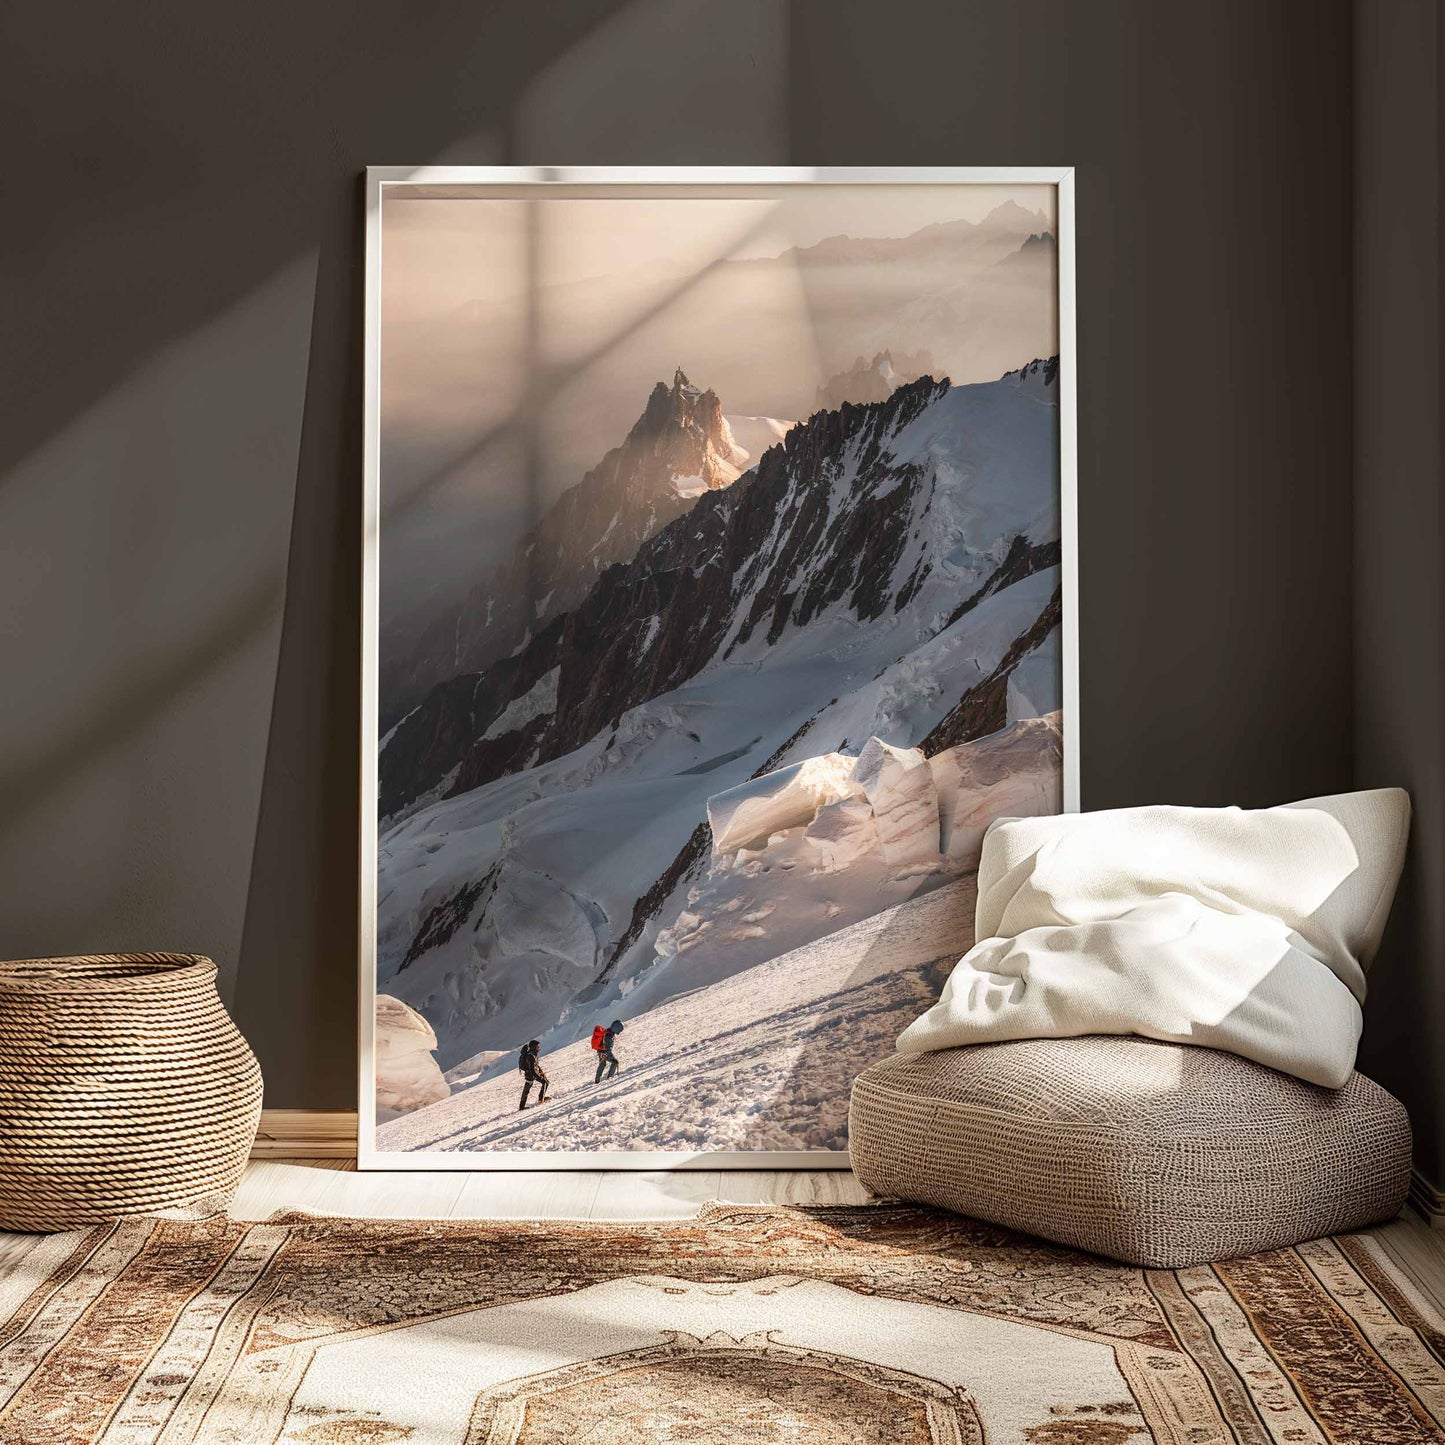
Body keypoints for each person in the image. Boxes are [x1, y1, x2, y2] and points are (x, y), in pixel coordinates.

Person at [518, 1040, 549, 1110]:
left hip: (530, 1074)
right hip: (531, 1075)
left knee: (526, 1090)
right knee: (545, 1082)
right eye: (537, 1046)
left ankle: (521, 1106)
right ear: (533, 1047)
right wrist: (538, 1076)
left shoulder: (533, 1054)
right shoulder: (531, 1056)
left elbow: (536, 1066)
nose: (539, 1047)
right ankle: (541, 1099)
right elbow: (532, 1069)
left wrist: (541, 1073)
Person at [593, 1019, 623, 1084]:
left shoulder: (608, 1032)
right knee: (614, 1062)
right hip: (603, 1052)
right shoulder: (609, 1036)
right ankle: (609, 1079)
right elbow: (608, 1049)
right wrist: (612, 1057)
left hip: (601, 1051)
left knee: (602, 1064)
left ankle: (597, 1080)